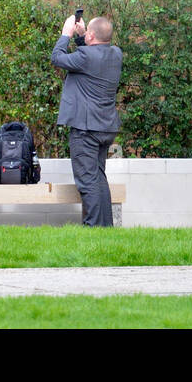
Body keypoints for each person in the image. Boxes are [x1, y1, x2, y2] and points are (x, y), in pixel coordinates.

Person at [51, 14, 122, 227]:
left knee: (87, 180)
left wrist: (66, 34)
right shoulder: (116, 54)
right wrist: (83, 37)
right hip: (106, 127)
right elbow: (92, 55)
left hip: (86, 128)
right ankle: (105, 228)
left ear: (91, 35)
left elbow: (57, 57)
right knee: (99, 177)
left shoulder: (85, 57)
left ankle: (92, 227)